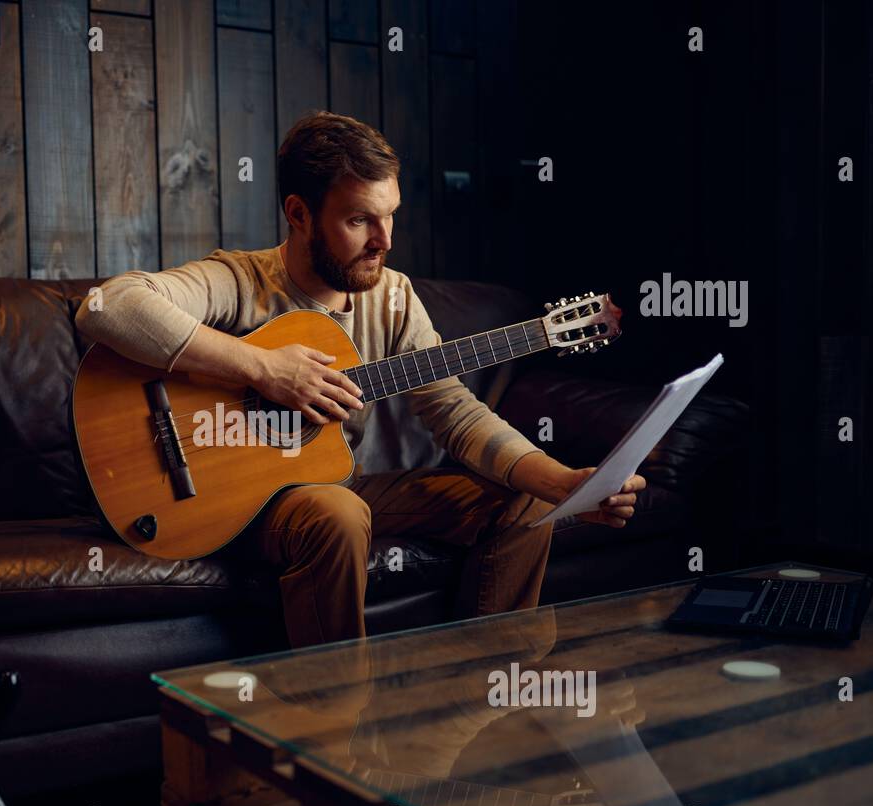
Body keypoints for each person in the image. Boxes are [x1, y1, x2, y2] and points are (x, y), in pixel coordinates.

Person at [75, 111, 645, 652]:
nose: (385, 239)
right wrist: (261, 368)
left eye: (390, 213)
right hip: (237, 502)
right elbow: (107, 306)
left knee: (525, 502)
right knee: (338, 513)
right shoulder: (240, 281)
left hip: (339, 485)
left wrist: (566, 484)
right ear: (299, 214)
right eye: (359, 220)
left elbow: (455, 412)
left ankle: (493, 695)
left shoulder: (393, 297)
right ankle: (340, 723)